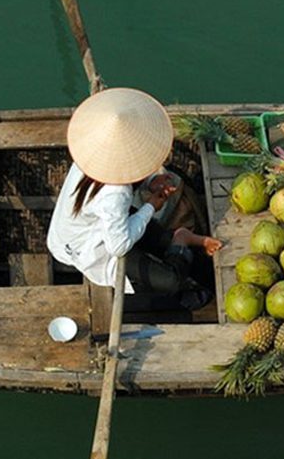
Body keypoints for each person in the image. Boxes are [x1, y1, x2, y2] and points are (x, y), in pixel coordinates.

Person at [46, 88, 221, 310]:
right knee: (171, 281)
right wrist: (150, 206)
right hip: (88, 245)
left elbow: (124, 172)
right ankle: (181, 241)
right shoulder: (115, 193)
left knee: (151, 235)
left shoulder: (92, 154)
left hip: (102, 224)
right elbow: (118, 246)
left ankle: (178, 238)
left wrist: (151, 182)